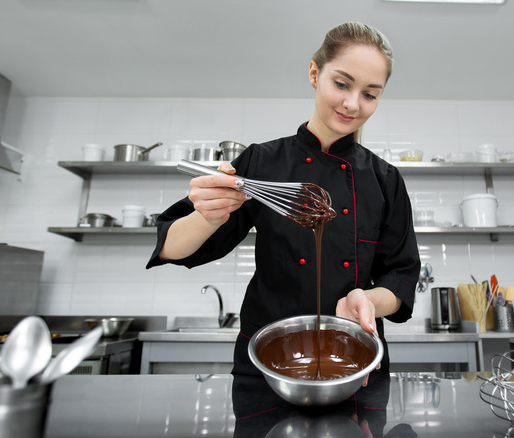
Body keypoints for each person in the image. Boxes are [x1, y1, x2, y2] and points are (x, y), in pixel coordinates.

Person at [146, 22, 421, 377]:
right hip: (265, 364)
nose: (352, 104)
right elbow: (171, 247)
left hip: (353, 362)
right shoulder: (262, 162)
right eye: (341, 83)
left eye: (370, 94)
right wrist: (209, 216)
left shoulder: (384, 179)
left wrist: (367, 300)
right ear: (313, 73)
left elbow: (400, 277)